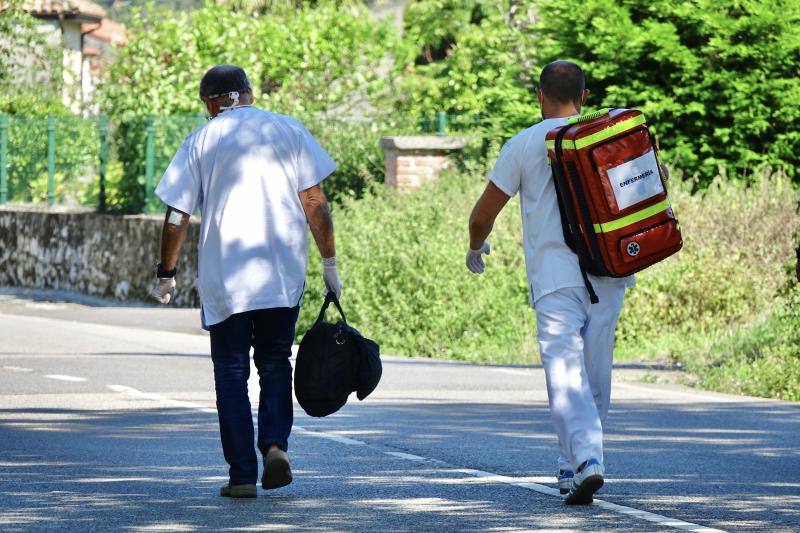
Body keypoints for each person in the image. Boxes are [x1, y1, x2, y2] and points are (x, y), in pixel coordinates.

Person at [149, 65, 342, 499]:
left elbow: (178, 214)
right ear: (249, 94)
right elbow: (314, 201)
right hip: (281, 275)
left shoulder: (202, 140)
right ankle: (275, 446)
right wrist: (329, 261)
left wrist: (166, 272)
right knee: (274, 362)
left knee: (231, 374)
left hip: (226, 281)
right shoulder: (288, 130)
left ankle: (240, 476)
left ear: (211, 103)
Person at [466, 61, 634, 505]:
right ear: (586, 95)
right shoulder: (608, 136)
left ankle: (587, 459)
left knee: (564, 370)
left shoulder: (523, 144)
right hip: (610, 272)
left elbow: (483, 213)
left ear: (538, 94)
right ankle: (572, 464)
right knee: (594, 373)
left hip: (556, 278)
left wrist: (474, 247)